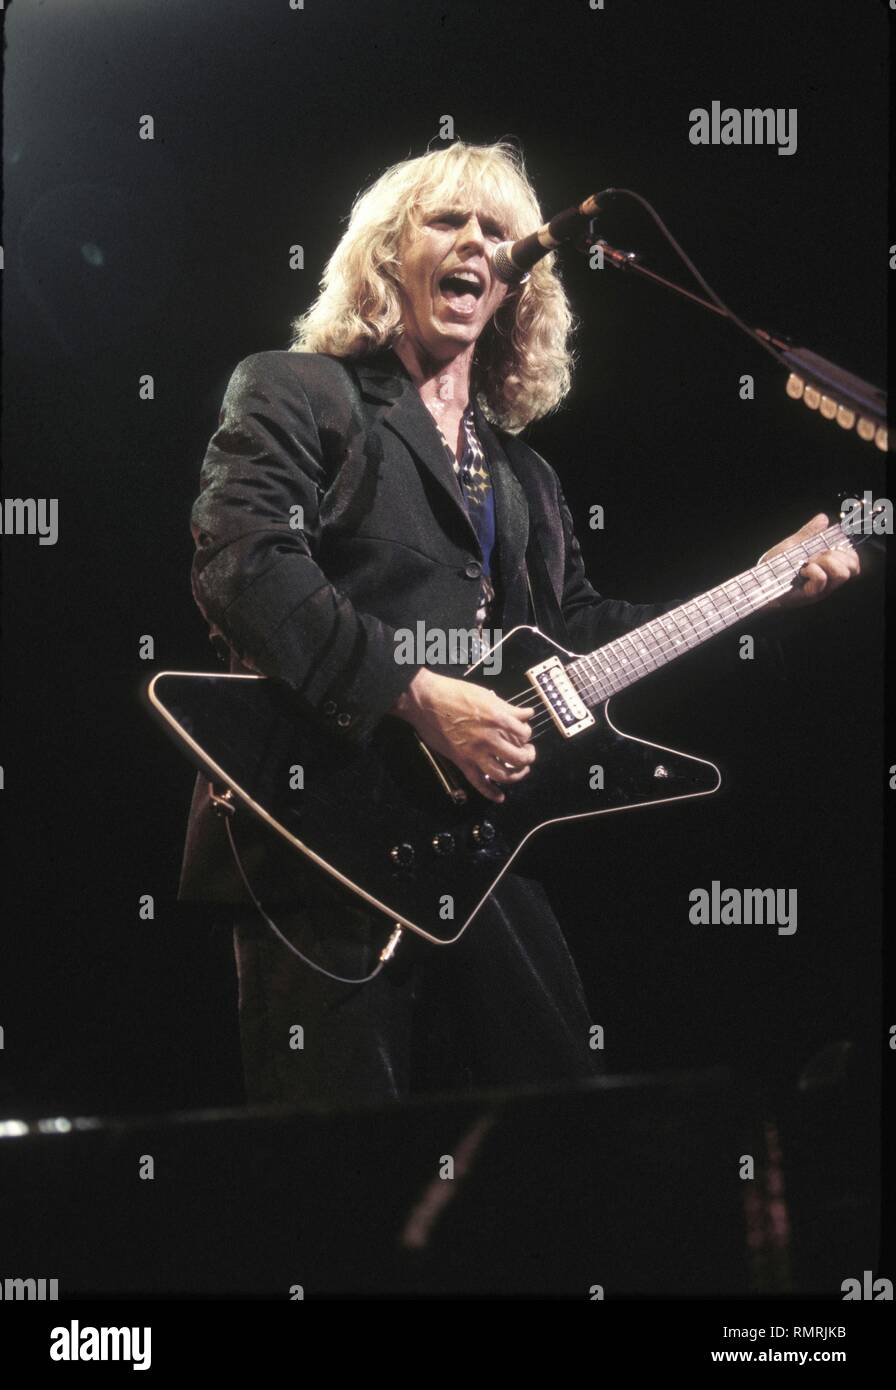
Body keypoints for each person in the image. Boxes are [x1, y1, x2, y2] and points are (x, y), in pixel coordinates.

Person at [177, 140, 858, 1108]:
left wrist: (761, 591)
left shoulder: (524, 475)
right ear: (386, 253)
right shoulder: (298, 389)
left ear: (518, 287)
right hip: (318, 830)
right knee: (337, 1160)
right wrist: (413, 695)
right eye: (446, 221)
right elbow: (244, 565)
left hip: (478, 850)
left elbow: (577, 634)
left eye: (498, 232)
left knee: (559, 1127)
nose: (477, 245)